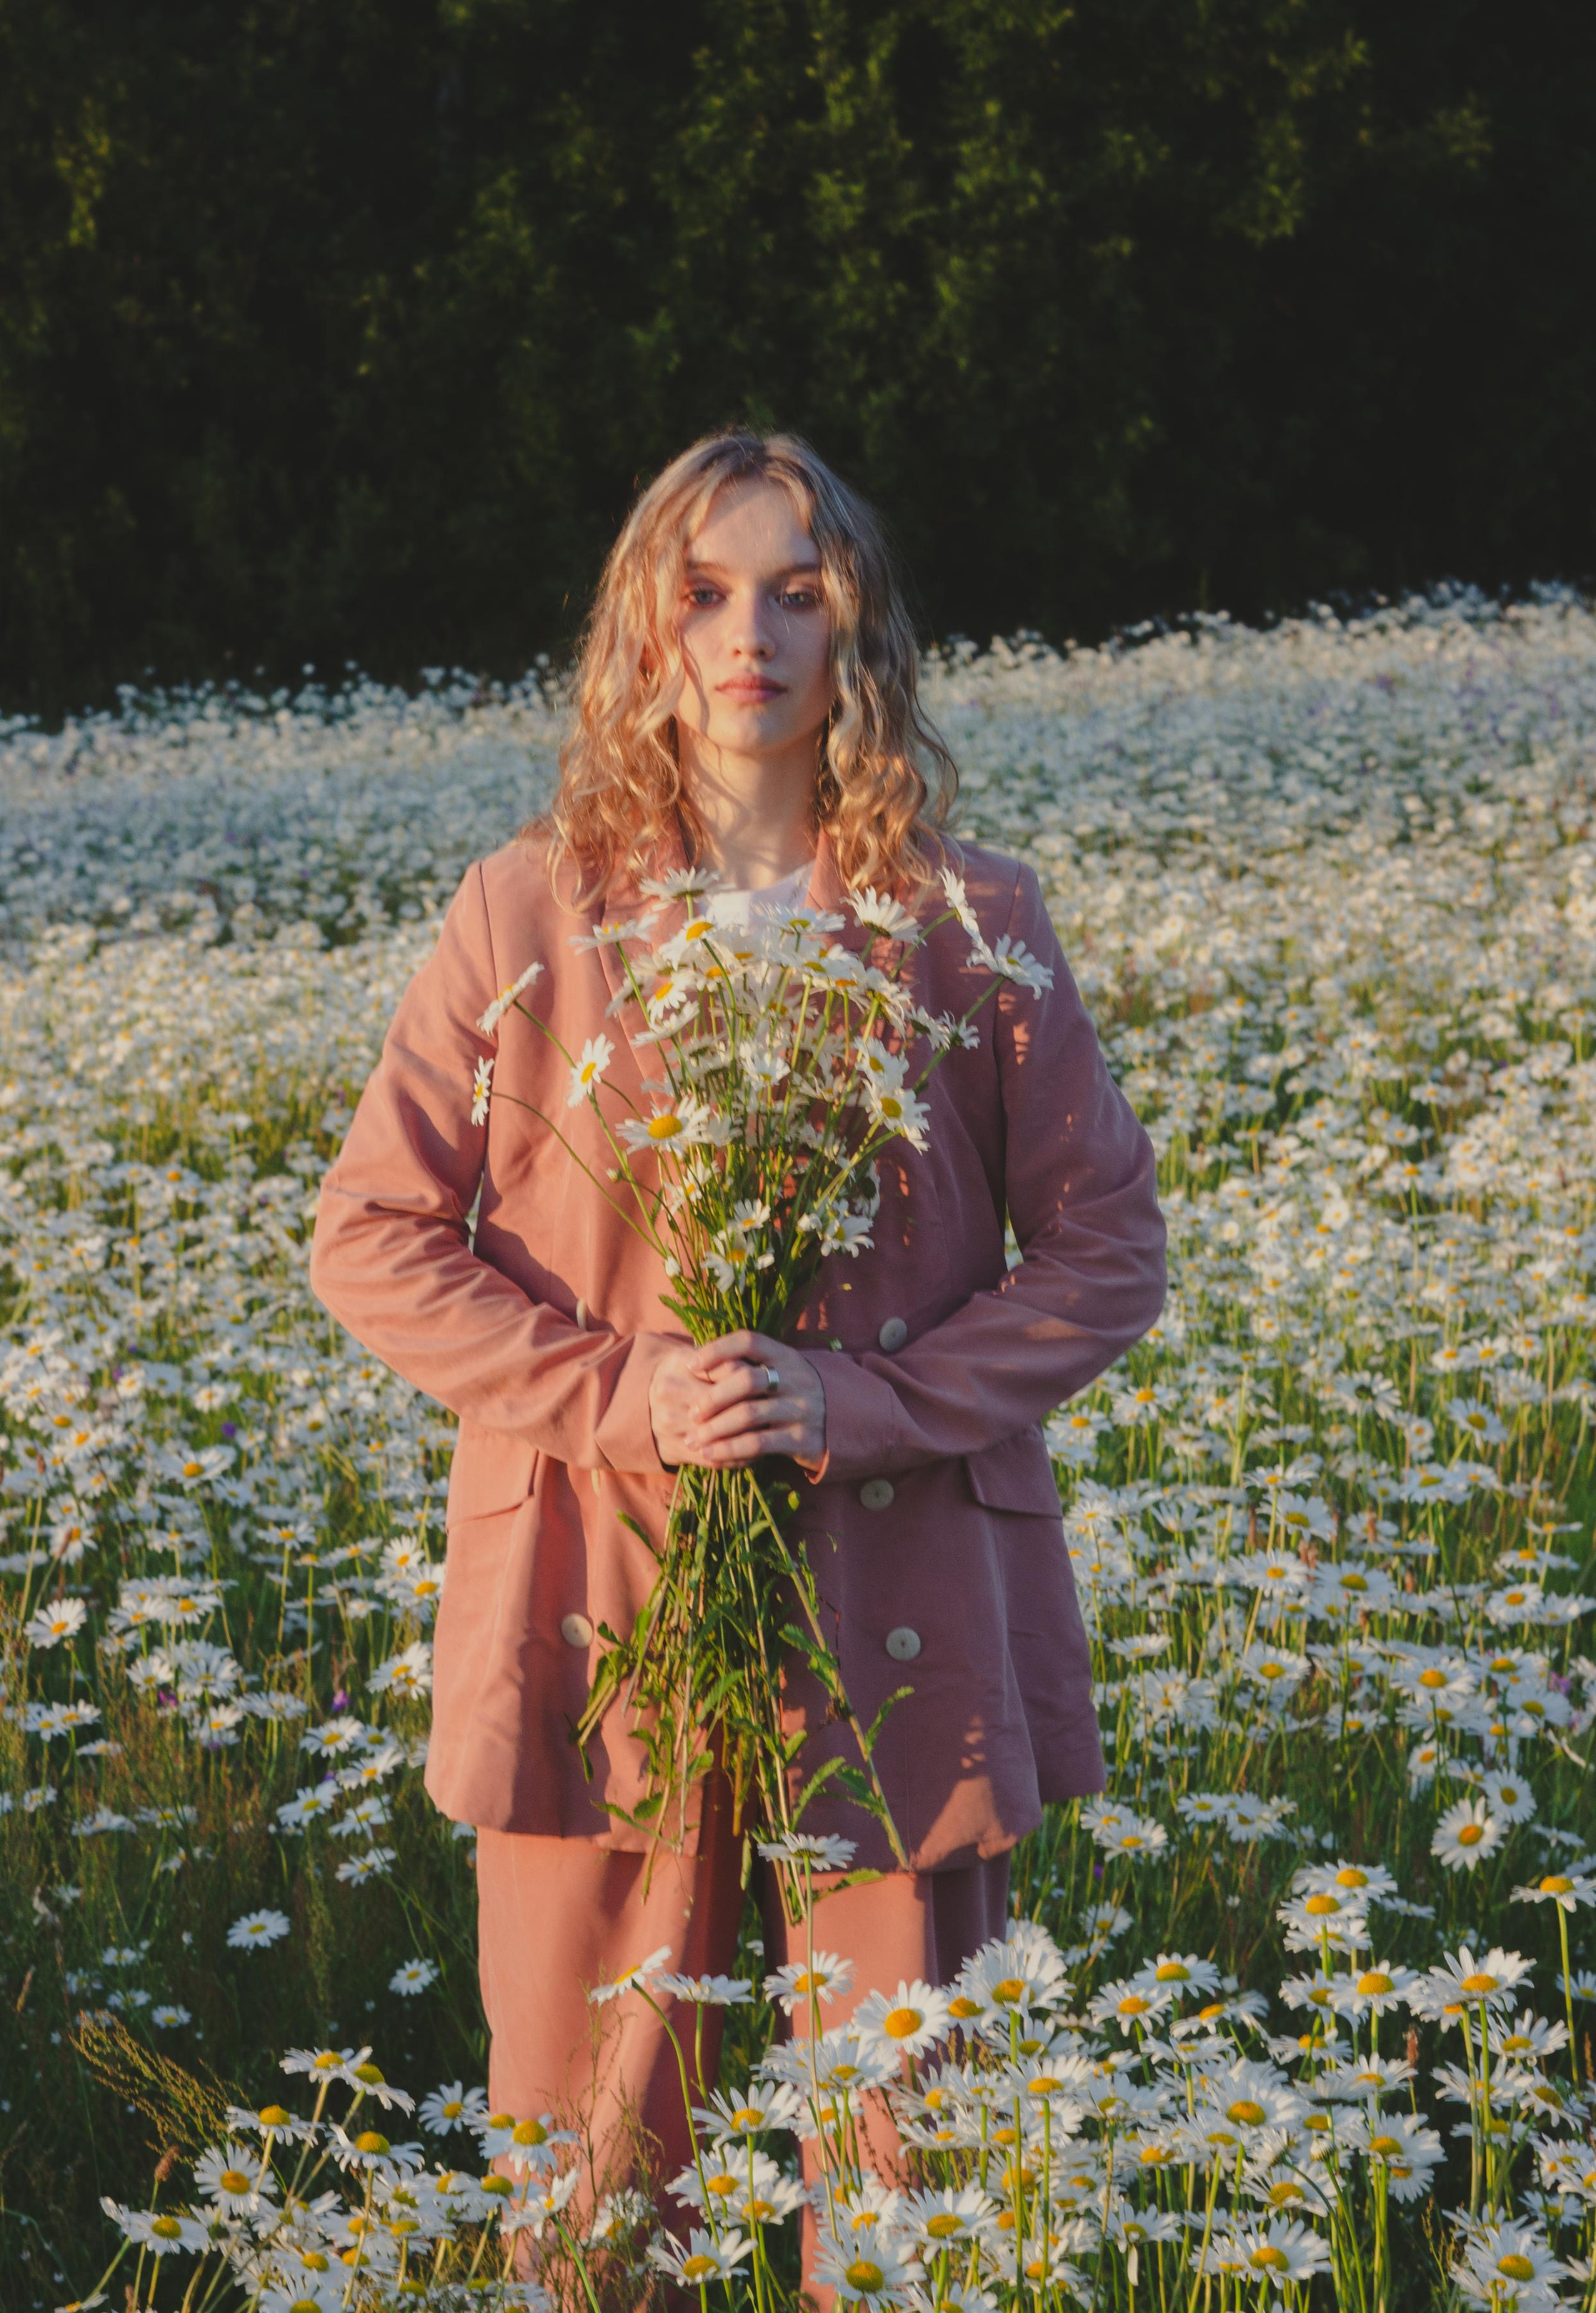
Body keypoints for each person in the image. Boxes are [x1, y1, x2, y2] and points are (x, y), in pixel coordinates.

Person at [308, 429, 1167, 2231]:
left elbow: (1102, 1249)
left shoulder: (968, 917)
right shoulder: (523, 907)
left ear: (855, 630)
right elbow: (374, 1238)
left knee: (906, 2175)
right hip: (595, 1589)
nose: (747, 634)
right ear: (641, 625)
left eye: (797, 591)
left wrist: (859, 1396)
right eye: (701, 592)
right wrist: (626, 1390)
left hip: (904, 1596)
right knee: (598, 2168)